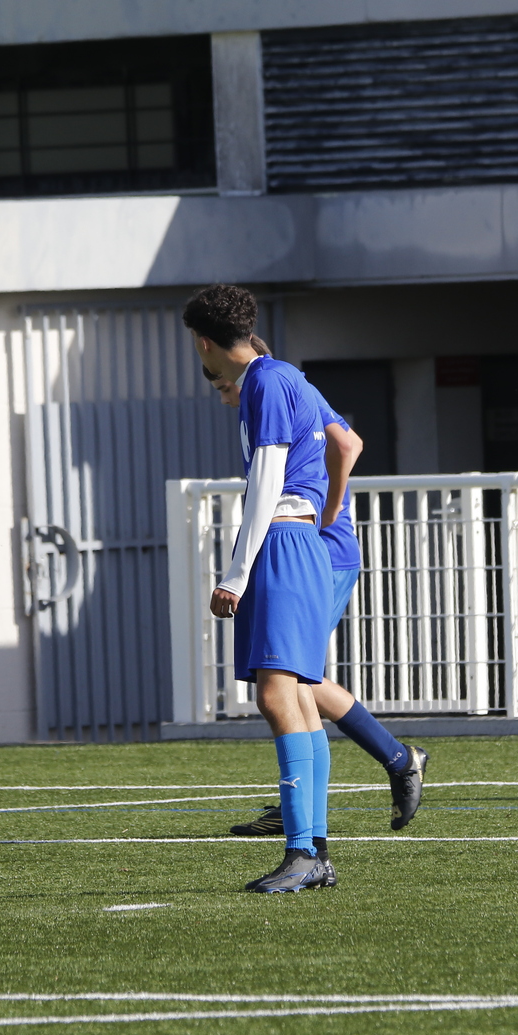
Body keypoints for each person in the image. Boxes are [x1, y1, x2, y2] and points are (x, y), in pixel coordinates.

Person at [206, 342, 430, 838]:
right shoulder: (289, 385)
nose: (225, 395)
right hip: (311, 542)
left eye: (223, 384)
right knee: (293, 680)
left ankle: (393, 762)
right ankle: (305, 817)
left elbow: (348, 445)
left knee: (290, 679)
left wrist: (331, 511)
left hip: (314, 546)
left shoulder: (277, 385)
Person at [183, 285, 334, 894]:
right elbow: (341, 441)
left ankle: (302, 852)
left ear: (203, 342)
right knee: (297, 697)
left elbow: (268, 479)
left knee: (277, 696)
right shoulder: (285, 374)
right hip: (304, 542)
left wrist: (235, 573)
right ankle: (314, 851)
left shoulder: (264, 383)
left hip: (282, 541)